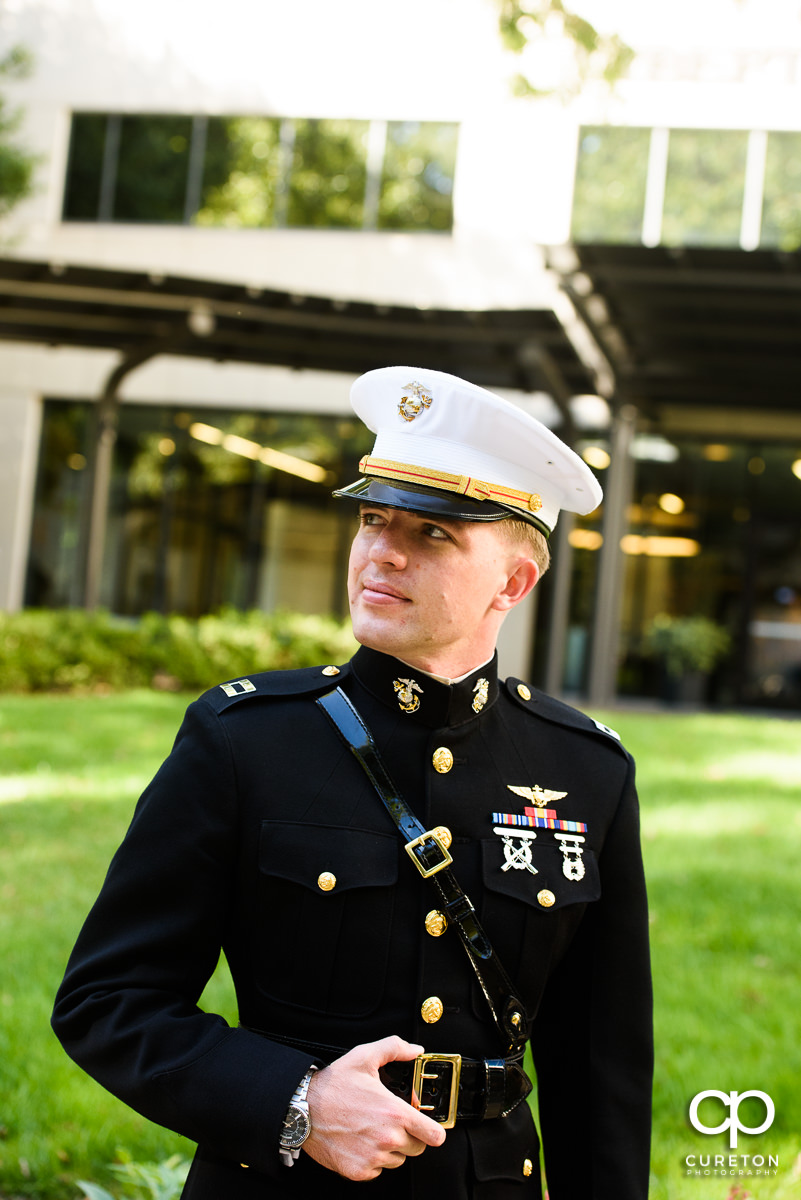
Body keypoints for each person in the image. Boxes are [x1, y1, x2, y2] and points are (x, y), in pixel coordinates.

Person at [52, 366, 653, 1200]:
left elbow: (602, 1069)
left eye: (433, 533)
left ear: (512, 583)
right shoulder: (245, 741)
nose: (382, 551)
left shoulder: (583, 772)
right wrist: (295, 1100)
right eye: (373, 518)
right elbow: (109, 1000)